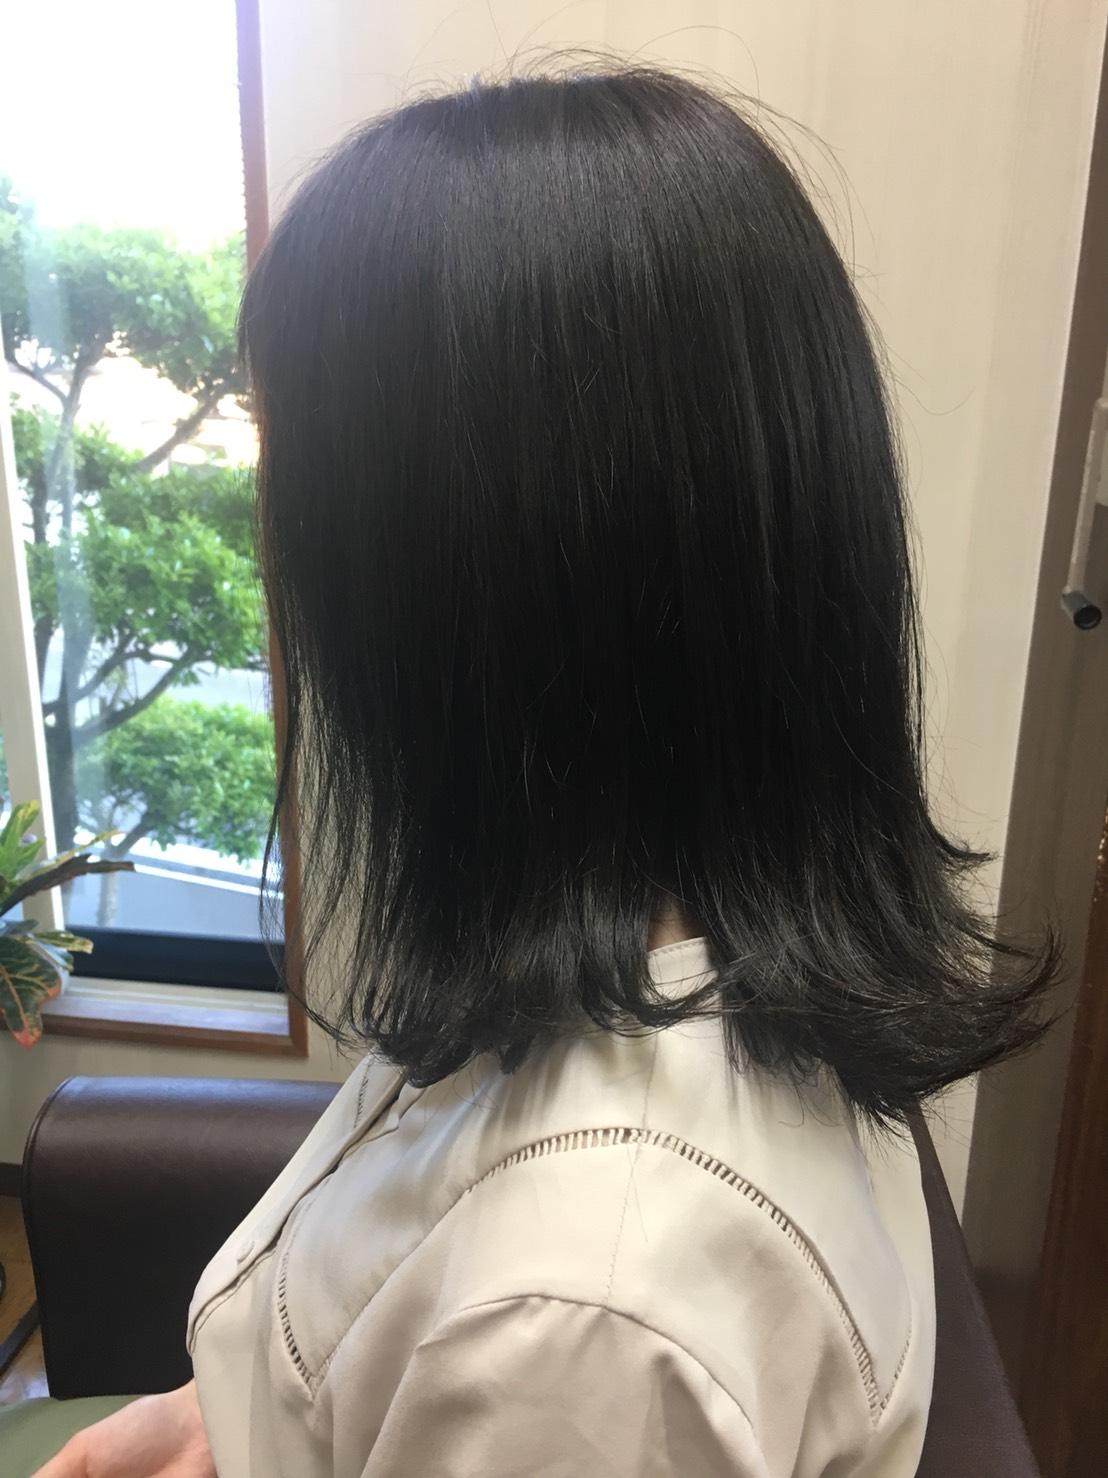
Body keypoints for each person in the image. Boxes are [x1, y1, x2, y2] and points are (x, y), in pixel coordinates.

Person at [34, 64, 1053, 1478]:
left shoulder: (577, 1321)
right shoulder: (674, 944)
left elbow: (494, 1332)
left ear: (459, 585)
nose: (275, 553)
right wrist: (224, 1419)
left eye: (296, 480)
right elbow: (386, 1300)